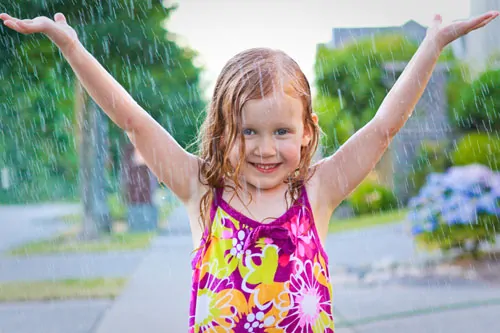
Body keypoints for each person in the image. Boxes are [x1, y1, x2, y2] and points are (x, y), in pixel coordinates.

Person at [1, 9, 498, 332]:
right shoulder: (202, 190)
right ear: (221, 131)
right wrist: (71, 47)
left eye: (281, 131)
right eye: (247, 132)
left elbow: (384, 126)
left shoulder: (318, 190)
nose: (265, 148)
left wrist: (431, 46)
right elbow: (132, 121)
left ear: (307, 131)